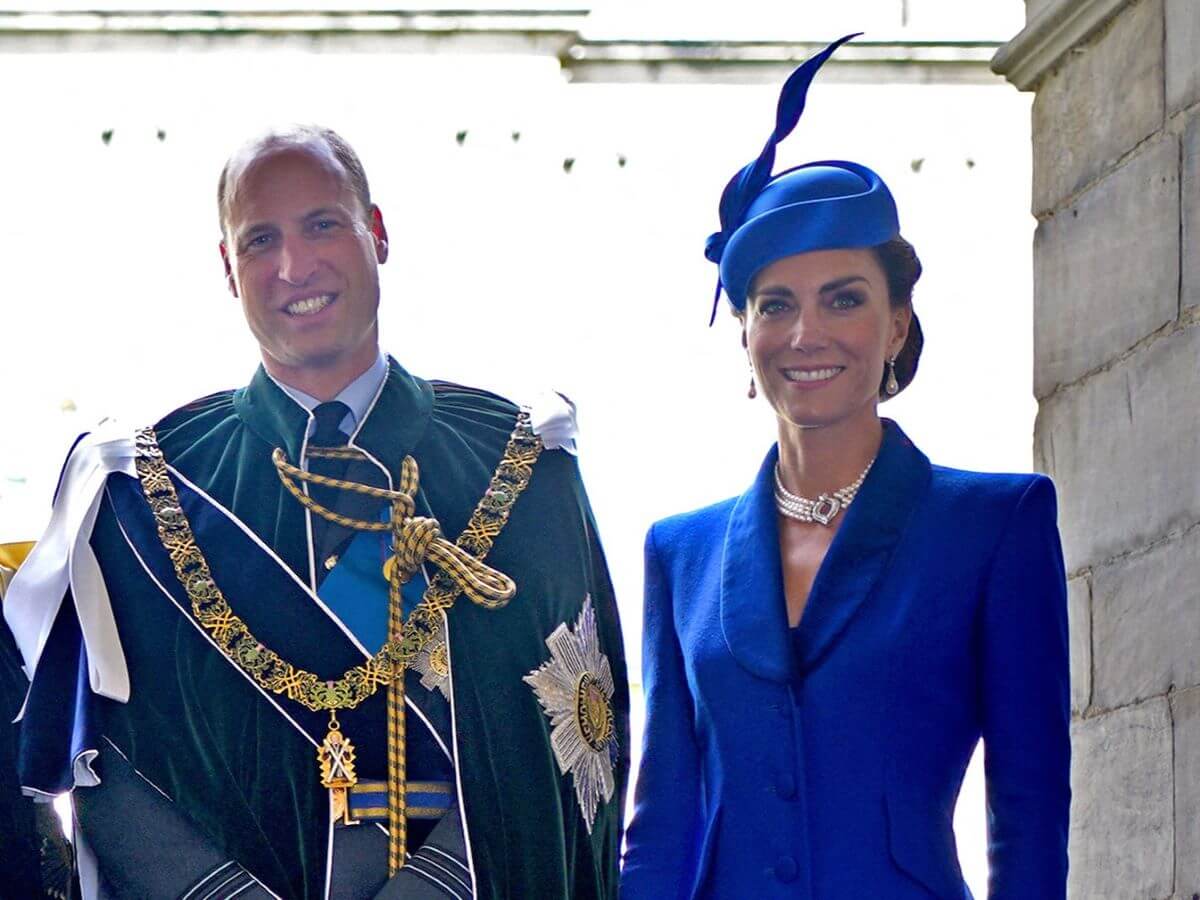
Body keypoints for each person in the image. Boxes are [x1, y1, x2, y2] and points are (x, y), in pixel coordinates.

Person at [4, 125, 629, 899]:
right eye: (261, 239)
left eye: (323, 224)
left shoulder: (521, 461)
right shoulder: (138, 486)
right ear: (229, 271)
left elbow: (575, 739)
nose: (295, 266)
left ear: (378, 233)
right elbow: (100, 756)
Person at [620, 36, 1070, 900]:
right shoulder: (680, 553)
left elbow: (1030, 808)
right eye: (775, 305)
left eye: (844, 299)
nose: (805, 335)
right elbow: (662, 825)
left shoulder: (994, 528)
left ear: (897, 325)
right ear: (745, 333)